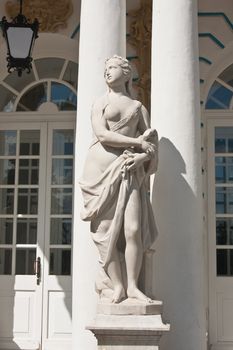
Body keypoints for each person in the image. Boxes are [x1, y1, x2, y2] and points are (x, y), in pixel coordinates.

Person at [80, 55, 158, 303]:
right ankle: (117, 286)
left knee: (133, 229)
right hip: (99, 174)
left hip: (128, 171)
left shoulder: (137, 108)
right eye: (105, 68)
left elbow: (152, 147)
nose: (107, 72)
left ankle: (133, 286)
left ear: (126, 74)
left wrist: (141, 158)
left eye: (112, 68)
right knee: (105, 234)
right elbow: (102, 135)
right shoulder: (99, 103)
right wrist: (137, 143)